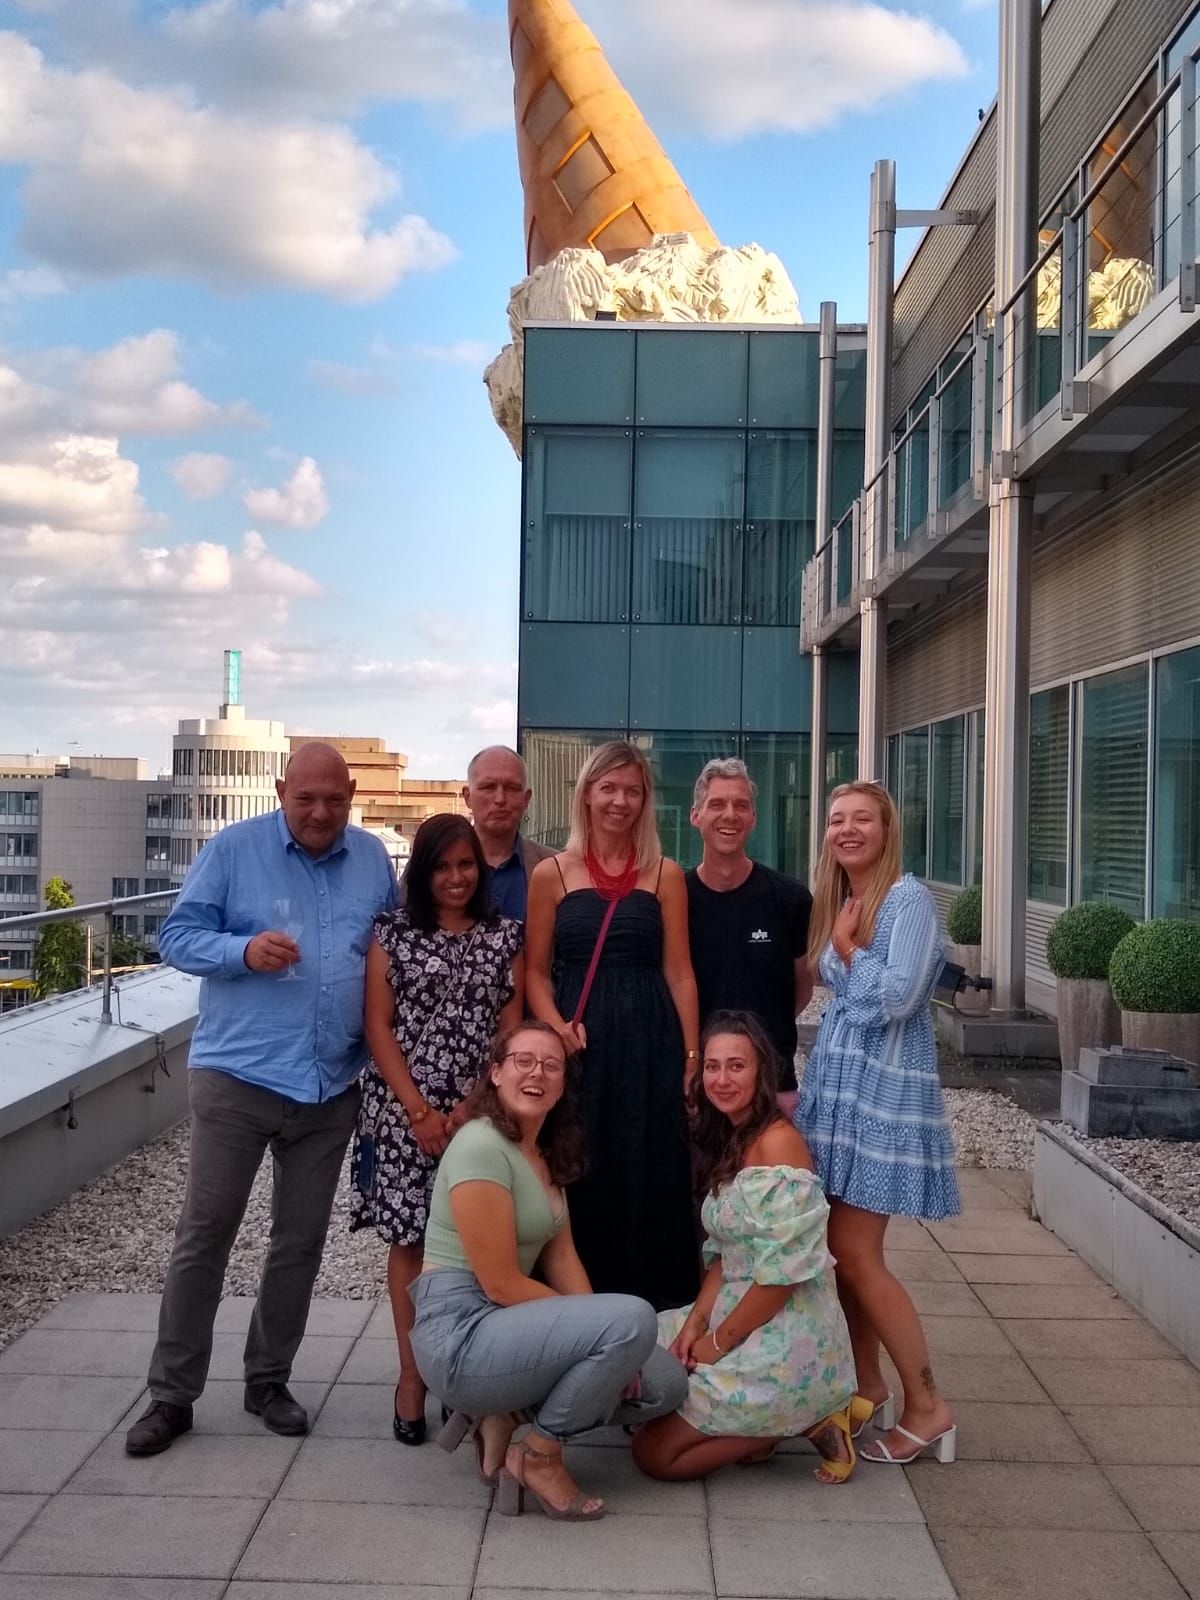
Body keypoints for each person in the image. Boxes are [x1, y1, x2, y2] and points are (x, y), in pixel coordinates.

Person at [125, 743, 397, 1457]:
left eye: (334, 800)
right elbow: (175, 937)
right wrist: (242, 952)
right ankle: (172, 1396)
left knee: (299, 1245)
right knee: (204, 1238)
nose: (320, 813)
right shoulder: (233, 849)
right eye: (306, 798)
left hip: (330, 1084)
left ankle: (267, 1380)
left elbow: (393, 952)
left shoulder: (373, 860)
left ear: (351, 795)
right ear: (282, 791)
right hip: (238, 1078)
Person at [410, 1021, 688, 1520]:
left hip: (505, 1324)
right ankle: (538, 1454)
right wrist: (606, 1331)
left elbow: (562, 1256)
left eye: (551, 1065)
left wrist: (611, 1342)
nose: (537, 1072)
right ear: (495, 1073)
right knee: (632, 1320)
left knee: (664, 1382)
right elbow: (499, 1283)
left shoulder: (542, 1150)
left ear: (562, 1084)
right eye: (523, 1061)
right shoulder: (480, 1144)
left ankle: (504, 1411)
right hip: (460, 1332)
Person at [795, 781, 960, 1467]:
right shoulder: (847, 897)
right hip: (841, 1089)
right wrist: (840, 937)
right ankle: (869, 1386)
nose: (848, 829)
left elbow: (899, 998)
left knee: (859, 1254)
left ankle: (929, 1407)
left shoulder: (909, 899)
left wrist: (848, 949)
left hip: (884, 1093)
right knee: (838, 1253)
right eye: (837, 819)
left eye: (862, 818)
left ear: (888, 828)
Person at [349, 812, 523, 1445]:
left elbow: (510, 1033)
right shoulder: (390, 934)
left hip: (482, 1112)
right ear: (422, 872)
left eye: (467, 864)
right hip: (404, 1112)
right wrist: (421, 1111)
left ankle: (466, 1374)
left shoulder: (506, 936)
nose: (456, 877)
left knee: (480, 1247)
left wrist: (470, 1108)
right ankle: (412, 1375)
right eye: (442, 866)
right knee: (414, 1244)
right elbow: (377, 1026)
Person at [632, 1011, 858, 1483]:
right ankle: (769, 1420)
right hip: (739, 1305)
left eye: (736, 1066)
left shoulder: (778, 1147)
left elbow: (780, 1277)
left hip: (786, 1327)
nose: (721, 1079)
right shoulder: (733, 1135)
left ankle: (810, 1417)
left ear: (761, 1072)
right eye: (712, 1066)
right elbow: (726, 1255)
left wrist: (714, 1345)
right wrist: (694, 1323)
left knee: (654, 1455)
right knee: (636, 1359)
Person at [525, 740, 700, 1310]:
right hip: (579, 1047)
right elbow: (534, 972)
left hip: (650, 1042)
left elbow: (679, 974)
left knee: (650, 1166)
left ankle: (657, 1309)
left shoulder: (664, 874)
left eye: (632, 790)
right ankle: (581, 1307)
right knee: (580, 1166)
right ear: (587, 794)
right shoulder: (551, 873)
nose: (620, 801)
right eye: (609, 788)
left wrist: (692, 1058)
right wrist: (555, 1028)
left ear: (645, 800)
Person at [685, 758, 813, 1115]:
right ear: (696, 816)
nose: (730, 814)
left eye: (741, 805)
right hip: (699, 1089)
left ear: (754, 818)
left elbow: (800, 989)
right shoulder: (674, 899)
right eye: (717, 804)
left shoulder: (791, 899)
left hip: (773, 1088)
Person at [460, 745, 555, 922]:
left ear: (526, 799)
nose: (500, 799)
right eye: (488, 787)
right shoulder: (434, 864)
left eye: (512, 788)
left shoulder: (555, 868)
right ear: (467, 797)